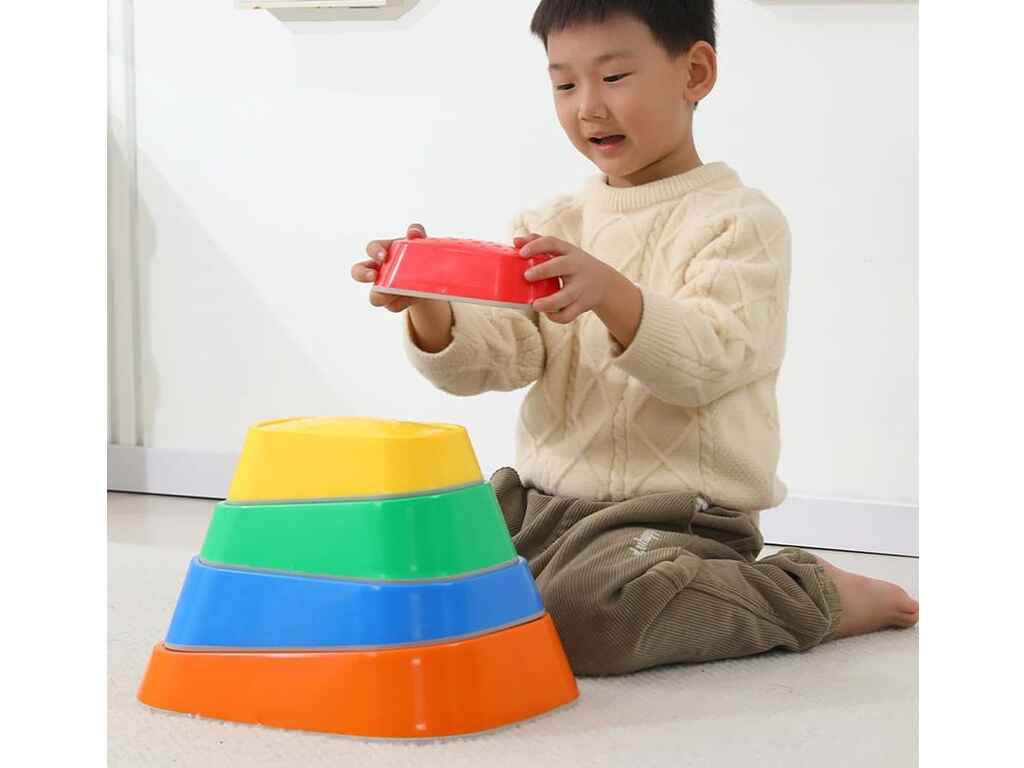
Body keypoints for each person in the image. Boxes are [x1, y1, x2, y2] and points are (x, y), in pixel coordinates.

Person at [350, 0, 918, 676]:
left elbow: (708, 360)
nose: (588, 107)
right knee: (405, 561)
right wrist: (430, 309)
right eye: (565, 84)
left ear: (695, 73)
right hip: (539, 504)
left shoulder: (739, 222)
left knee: (589, 614)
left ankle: (809, 592)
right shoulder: (553, 221)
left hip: (677, 516)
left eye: (614, 77)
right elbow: (504, 358)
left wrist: (614, 295)